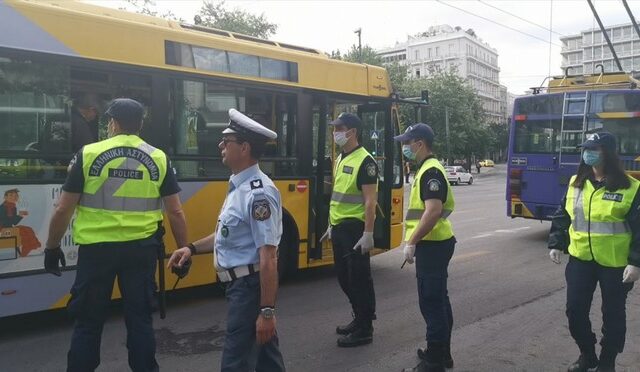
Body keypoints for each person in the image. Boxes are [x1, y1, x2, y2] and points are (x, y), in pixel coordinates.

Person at [43, 98, 188, 372]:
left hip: (96, 252)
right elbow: (176, 213)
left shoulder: (88, 154)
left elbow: (63, 209)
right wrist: (183, 250)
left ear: (113, 122)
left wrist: (52, 247)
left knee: (88, 322)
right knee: (140, 321)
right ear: (140, 124)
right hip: (141, 251)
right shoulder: (158, 158)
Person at [168, 108, 285, 372]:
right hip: (240, 289)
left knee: (235, 364)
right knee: (267, 362)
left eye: (226, 141)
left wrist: (266, 312)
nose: (220, 145)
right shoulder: (239, 186)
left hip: (249, 290)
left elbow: (269, 257)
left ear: (244, 148)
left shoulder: (258, 194)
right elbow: (226, 236)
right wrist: (190, 248)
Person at [548, 132, 640, 372]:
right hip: (580, 259)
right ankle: (587, 354)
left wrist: (636, 262)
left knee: (613, 316)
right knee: (575, 311)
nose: (588, 153)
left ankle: (608, 362)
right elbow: (564, 215)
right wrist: (557, 242)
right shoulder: (576, 182)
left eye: (594, 149)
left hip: (616, 263)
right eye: (586, 148)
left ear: (608, 153)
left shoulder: (631, 187)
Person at [395, 124, 456, 372]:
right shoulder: (426, 169)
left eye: (408, 142)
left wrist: (411, 242)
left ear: (419, 143)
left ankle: (434, 361)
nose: (405, 147)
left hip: (434, 245)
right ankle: (442, 354)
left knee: (431, 302)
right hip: (435, 244)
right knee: (438, 300)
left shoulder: (431, 171)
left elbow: (433, 212)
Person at [319, 112, 378, 347]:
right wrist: (331, 226)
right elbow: (338, 196)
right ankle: (359, 316)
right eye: (335, 128)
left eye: (340, 128)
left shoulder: (366, 161)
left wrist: (368, 233)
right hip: (340, 228)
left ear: (352, 132)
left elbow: (370, 201)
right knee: (344, 278)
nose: (335, 133)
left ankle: (365, 328)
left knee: (359, 279)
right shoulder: (342, 157)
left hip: (355, 229)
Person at [0, 188, 41, 256]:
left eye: (16, 196)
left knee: (28, 229)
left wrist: (20, 215)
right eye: (11, 195)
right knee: (22, 231)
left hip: (8, 227)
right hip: (2, 228)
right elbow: (6, 221)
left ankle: (29, 247)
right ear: (5, 197)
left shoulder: (13, 207)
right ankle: (27, 248)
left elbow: (14, 222)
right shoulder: (2, 207)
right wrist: (19, 215)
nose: (14, 197)